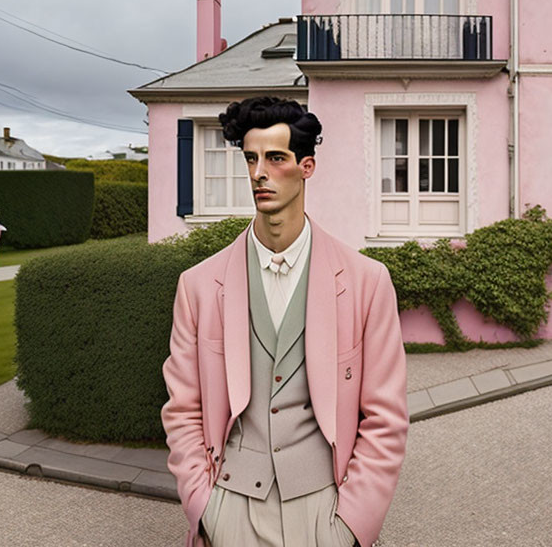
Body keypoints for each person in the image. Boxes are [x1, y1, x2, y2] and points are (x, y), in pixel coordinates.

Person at [161, 97, 408, 547]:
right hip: (230, 504)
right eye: (251, 159)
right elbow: (183, 410)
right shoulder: (197, 285)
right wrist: (205, 506)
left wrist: (352, 526)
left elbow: (386, 418)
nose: (259, 173)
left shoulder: (367, 282)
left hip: (325, 509)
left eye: (276, 159)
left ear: (307, 166)